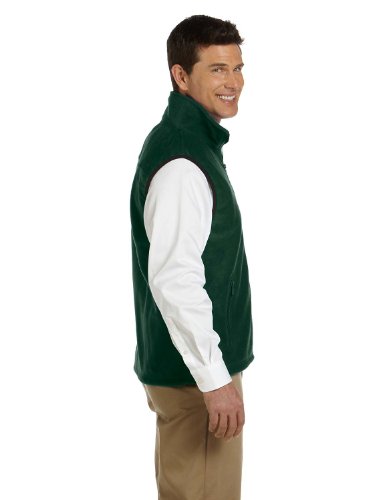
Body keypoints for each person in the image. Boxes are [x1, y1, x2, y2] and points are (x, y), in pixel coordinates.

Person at [130, 14, 254, 500]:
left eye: (237, 68)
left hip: (192, 373)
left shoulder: (190, 143)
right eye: (217, 69)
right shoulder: (183, 160)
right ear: (181, 76)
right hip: (196, 379)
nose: (233, 82)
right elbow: (175, 279)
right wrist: (215, 379)